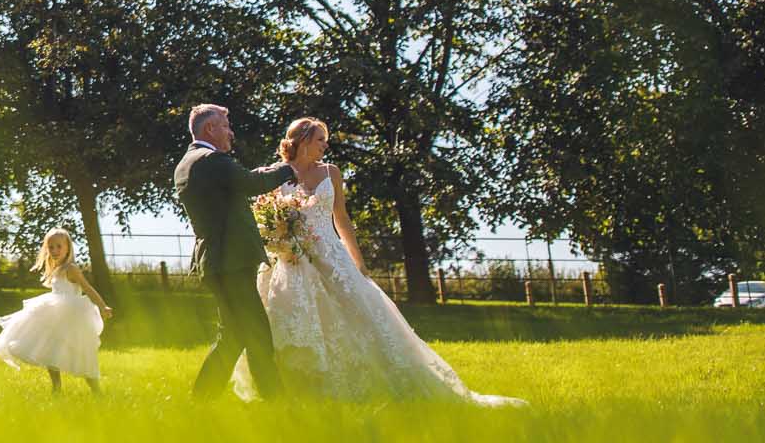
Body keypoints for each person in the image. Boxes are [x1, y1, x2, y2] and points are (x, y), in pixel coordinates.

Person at [235, 119, 524, 406]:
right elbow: (265, 217)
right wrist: (275, 239)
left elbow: (341, 218)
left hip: (330, 256)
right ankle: (294, 389)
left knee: (357, 315)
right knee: (288, 320)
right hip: (290, 259)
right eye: (321, 139)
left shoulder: (330, 172)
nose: (326, 145)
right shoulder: (276, 174)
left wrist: (357, 262)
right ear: (305, 140)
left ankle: (368, 384)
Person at [173, 103, 296, 400]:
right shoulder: (212, 160)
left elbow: (241, 178)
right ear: (210, 129)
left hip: (215, 262)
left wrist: (270, 170)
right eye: (226, 125)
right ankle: (275, 402)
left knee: (234, 334)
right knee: (256, 333)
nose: (231, 132)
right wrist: (288, 169)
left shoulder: (189, 162)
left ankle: (201, 399)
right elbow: (253, 182)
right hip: (231, 261)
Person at [0, 227, 113, 394]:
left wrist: (102, 305)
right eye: (51, 247)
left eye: (58, 246)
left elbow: (87, 288)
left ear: (68, 247)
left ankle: (96, 390)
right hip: (54, 314)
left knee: (81, 354)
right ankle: (56, 388)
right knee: (50, 348)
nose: (54, 250)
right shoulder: (56, 268)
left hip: (72, 316)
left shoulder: (71, 269)